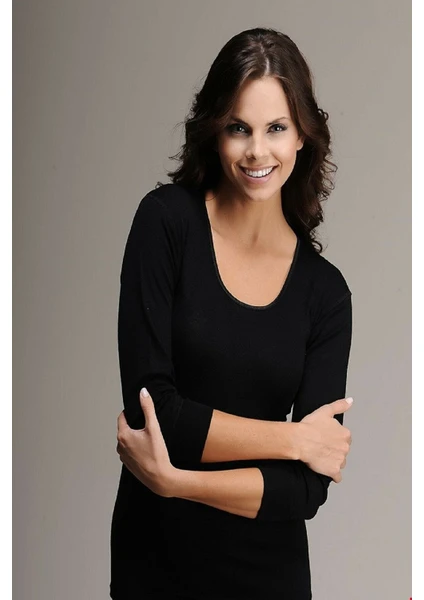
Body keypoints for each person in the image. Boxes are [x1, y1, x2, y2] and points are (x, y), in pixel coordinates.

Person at [110, 27, 354, 600]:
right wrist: (293, 440)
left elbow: (306, 491)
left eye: (277, 128)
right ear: (214, 130)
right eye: (238, 128)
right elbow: (156, 414)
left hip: (269, 577)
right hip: (156, 568)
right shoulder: (166, 224)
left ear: (303, 135)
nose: (256, 152)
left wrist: (176, 482)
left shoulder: (325, 293)